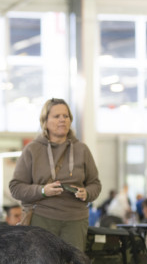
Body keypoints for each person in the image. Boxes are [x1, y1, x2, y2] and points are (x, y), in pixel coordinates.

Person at [9, 98, 102, 251]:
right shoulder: (32, 149)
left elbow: (95, 184)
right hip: (42, 218)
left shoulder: (82, 149)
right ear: (45, 121)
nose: (62, 120)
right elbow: (15, 187)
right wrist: (43, 191)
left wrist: (87, 192)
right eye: (56, 116)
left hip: (75, 220)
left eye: (66, 116)